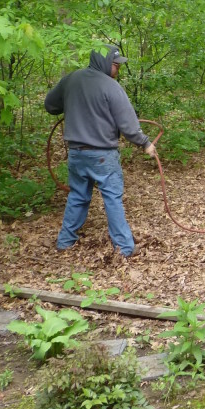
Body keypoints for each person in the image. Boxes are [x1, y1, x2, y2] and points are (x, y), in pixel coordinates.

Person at [44, 44, 156, 258]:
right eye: (116, 65)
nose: (118, 70)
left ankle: (65, 242)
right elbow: (129, 125)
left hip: (76, 154)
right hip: (103, 155)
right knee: (112, 198)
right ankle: (124, 247)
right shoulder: (111, 87)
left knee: (78, 195)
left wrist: (71, 102)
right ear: (105, 63)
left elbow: (50, 105)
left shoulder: (71, 80)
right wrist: (145, 144)